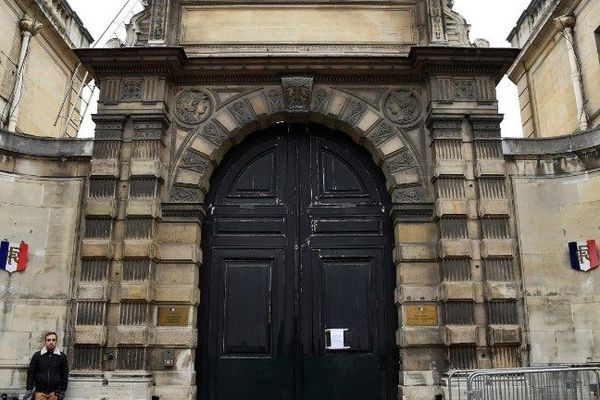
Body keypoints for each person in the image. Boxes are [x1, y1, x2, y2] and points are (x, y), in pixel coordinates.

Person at [24, 332, 68, 400]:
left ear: (56, 341)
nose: (51, 342)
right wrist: (29, 388)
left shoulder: (61, 357)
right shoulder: (37, 356)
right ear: (45, 341)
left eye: (53, 340)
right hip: (40, 393)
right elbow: (31, 373)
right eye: (48, 340)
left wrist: (63, 390)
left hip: (54, 393)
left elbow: (64, 374)